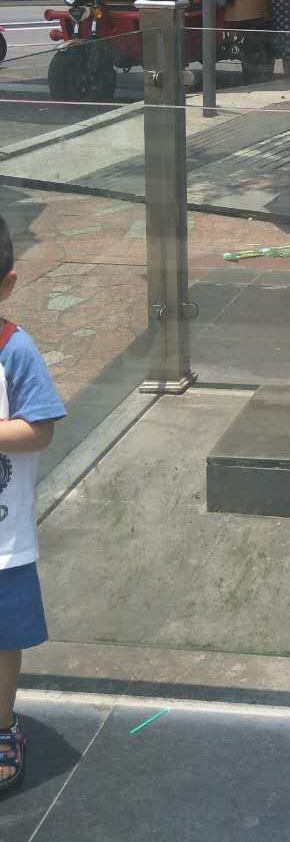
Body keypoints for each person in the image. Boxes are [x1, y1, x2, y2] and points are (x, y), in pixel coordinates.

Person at [0, 212, 67, 795]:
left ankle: (2, 726)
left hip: (3, 542)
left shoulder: (15, 351)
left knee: (3, 640)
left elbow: (39, 429)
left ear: (7, 285)